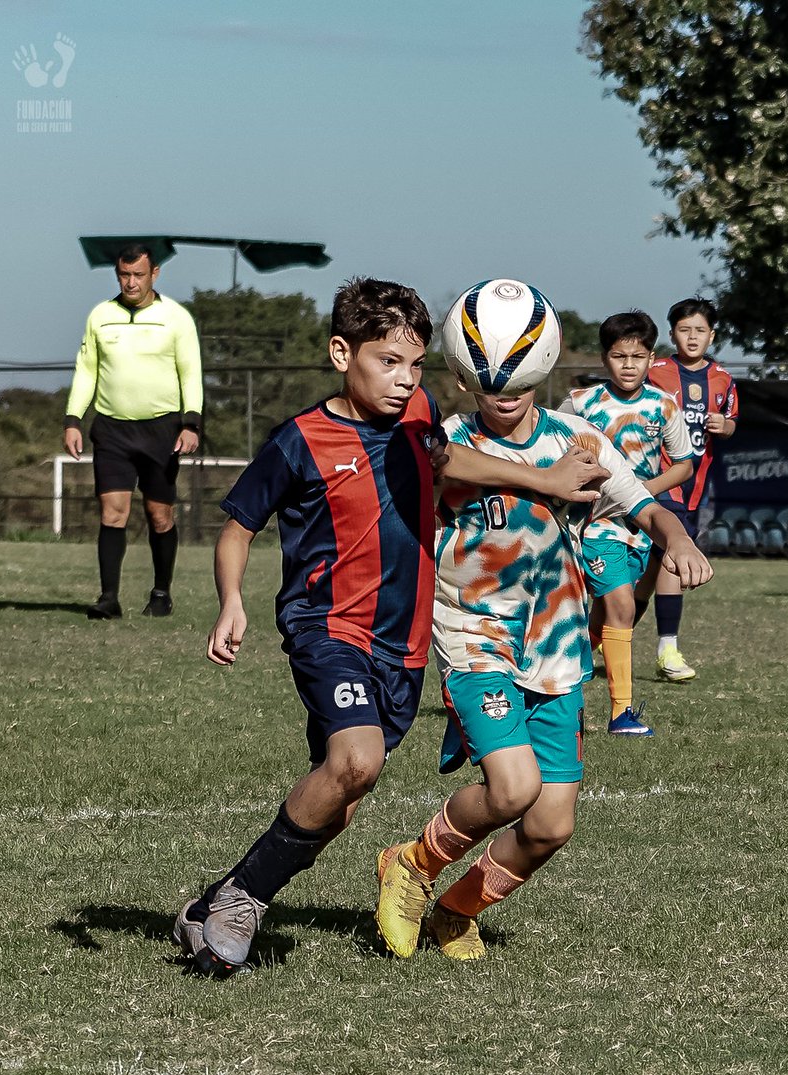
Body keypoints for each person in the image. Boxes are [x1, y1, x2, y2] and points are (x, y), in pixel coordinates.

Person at [172, 277, 610, 976]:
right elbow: (237, 529)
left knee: (339, 799)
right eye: (387, 362)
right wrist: (231, 600)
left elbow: (449, 459)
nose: (406, 381)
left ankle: (217, 899)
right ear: (342, 352)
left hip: (402, 649)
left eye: (415, 365)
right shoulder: (300, 440)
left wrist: (545, 480)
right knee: (358, 760)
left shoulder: (419, 418)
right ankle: (242, 904)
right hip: (328, 629)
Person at [375, 365, 712, 962]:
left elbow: (643, 505)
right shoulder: (445, 438)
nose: (505, 399)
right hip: (474, 634)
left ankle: (455, 912)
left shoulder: (577, 440)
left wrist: (677, 538)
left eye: (519, 385)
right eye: (491, 387)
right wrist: (545, 481)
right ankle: (411, 864)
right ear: (463, 380)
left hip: (555, 646)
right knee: (513, 789)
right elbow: (436, 462)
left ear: (541, 374)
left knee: (550, 827)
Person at [560, 310, 693, 736]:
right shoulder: (580, 404)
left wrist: (640, 490)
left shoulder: (663, 405)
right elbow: (551, 448)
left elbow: (686, 464)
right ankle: (621, 713)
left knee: (611, 614)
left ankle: (566, 671)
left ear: (651, 358)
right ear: (605, 359)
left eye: (637, 357)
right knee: (621, 605)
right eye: (619, 357)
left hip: (638, 526)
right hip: (594, 525)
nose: (629, 365)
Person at [63, 244, 203, 619]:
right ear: (117, 274)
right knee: (112, 513)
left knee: (160, 515)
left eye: (138, 275)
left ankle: (161, 592)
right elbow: (86, 370)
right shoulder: (100, 316)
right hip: (111, 429)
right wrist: (73, 419)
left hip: (163, 429)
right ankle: (109, 598)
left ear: (154, 274)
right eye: (124, 275)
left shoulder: (176, 318)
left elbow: (190, 372)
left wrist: (191, 423)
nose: (131, 282)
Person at [634, 297, 738, 682]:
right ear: (672, 333)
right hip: (661, 478)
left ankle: (608, 633)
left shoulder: (723, 379)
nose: (692, 337)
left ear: (712, 335)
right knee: (673, 558)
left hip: (697, 484)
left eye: (699, 330)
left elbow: (731, 423)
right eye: (684, 329)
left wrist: (723, 426)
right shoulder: (656, 370)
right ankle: (668, 649)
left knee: (655, 567)